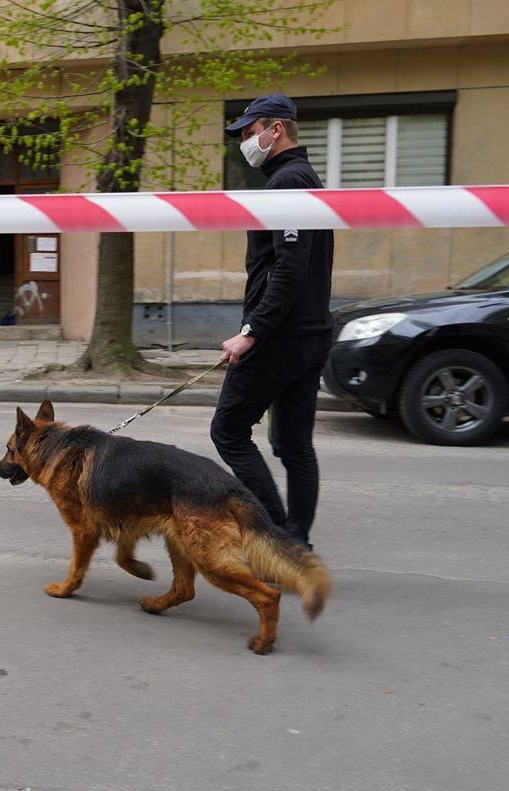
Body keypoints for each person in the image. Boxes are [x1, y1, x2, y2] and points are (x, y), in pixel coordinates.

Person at [210, 93, 334, 550]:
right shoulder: (304, 178)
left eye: (249, 131)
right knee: (294, 445)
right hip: (311, 333)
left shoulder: (288, 183)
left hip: (281, 337)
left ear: (275, 129)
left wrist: (252, 332)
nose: (245, 140)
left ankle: (276, 535)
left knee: (227, 431)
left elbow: (289, 267)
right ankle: (297, 541)